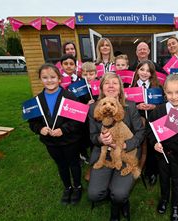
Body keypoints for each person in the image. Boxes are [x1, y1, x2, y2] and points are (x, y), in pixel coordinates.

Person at [87, 72, 145, 221]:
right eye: (107, 83)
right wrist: (100, 139)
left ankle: (118, 203)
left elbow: (140, 132)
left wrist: (126, 144)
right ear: (101, 88)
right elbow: (92, 136)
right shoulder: (93, 107)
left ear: (120, 88)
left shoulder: (130, 106)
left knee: (119, 193)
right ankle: (114, 193)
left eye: (115, 83)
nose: (111, 86)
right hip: (105, 153)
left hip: (127, 152)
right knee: (94, 194)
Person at [28, 63, 83, 205]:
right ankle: (67, 187)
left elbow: (78, 120)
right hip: (50, 142)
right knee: (61, 165)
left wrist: (63, 130)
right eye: (45, 77)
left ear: (59, 79)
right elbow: (32, 122)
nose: (49, 80)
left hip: (70, 140)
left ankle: (77, 187)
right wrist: (40, 129)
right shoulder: (37, 101)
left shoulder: (69, 96)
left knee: (74, 164)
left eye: (53, 77)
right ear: (40, 79)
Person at [147, 74, 178, 221]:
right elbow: (150, 130)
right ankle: (164, 199)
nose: (174, 96)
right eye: (169, 93)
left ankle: (175, 205)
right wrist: (154, 142)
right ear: (164, 92)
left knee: (177, 181)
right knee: (163, 178)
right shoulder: (158, 111)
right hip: (163, 155)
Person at [131, 60, 163, 185]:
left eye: (148, 71)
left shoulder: (157, 87)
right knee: (138, 145)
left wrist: (153, 107)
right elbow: (126, 106)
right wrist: (137, 106)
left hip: (153, 121)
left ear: (152, 74)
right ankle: (137, 167)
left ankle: (152, 171)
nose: (144, 73)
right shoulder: (131, 87)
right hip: (137, 122)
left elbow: (163, 105)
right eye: (142, 69)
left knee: (151, 146)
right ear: (137, 70)